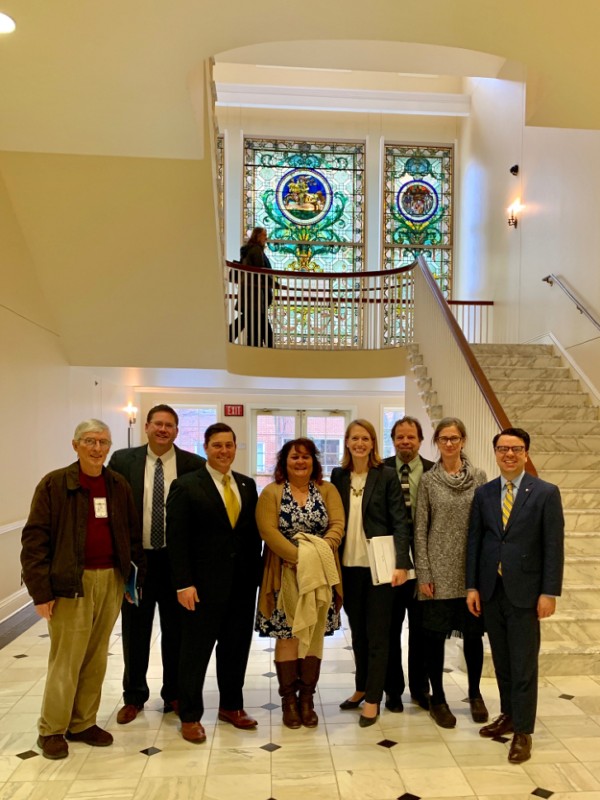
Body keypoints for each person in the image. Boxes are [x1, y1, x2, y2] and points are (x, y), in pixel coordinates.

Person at [20, 420, 144, 760]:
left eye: (103, 441)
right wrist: (41, 591)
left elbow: (132, 537)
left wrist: (132, 579)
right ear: (75, 445)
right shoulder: (55, 484)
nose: (97, 448)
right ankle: (52, 729)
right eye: (89, 441)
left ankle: (82, 722)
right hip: (71, 582)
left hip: (111, 580)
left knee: (96, 657)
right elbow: (34, 540)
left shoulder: (117, 484)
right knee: (66, 659)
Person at [467, 428, 564, 764]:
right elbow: (476, 543)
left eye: (516, 449)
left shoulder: (545, 493)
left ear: (526, 454)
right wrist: (472, 586)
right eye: (502, 448)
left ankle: (523, 731)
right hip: (492, 591)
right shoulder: (484, 494)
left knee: (524, 665)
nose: (508, 454)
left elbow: (553, 547)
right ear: (494, 452)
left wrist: (549, 592)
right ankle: (508, 714)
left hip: (526, 593)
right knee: (504, 662)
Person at [108, 404, 205, 724]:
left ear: (177, 431)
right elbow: (112, 511)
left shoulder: (193, 465)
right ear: (146, 426)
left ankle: (174, 694)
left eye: (170, 425)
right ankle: (134, 696)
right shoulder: (123, 461)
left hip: (177, 562)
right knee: (135, 630)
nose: (163, 430)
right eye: (158, 424)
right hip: (139, 562)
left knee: (177, 632)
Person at [166, 422, 262, 743]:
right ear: (206, 447)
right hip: (201, 589)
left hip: (241, 587)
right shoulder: (186, 485)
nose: (224, 451)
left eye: (229, 445)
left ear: (236, 448)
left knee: (236, 650)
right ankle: (190, 715)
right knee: (195, 652)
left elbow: (250, 538)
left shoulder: (247, 486)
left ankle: (232, 706)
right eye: (217, 445)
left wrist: (259, 581)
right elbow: (176, 540)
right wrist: (183, 583)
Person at [255, 438, 345, 729]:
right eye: (294, 457)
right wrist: (299, 556)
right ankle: (288, 702)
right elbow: (268, 531)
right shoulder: (271, 492)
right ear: (284, 462)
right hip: (283, 574)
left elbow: (337, 525)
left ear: (314, 462)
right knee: (288, 635)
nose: (300, 461)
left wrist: (319, 552)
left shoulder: (327, 489)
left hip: (319, 575)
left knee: (313, 635)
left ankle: (306, 699)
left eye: (306, 457)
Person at [331, 419, 411, 727]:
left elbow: (400, 522)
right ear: (347, 442)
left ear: (373, 443)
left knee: (378, 634)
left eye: (365, 438)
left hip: (379, 568)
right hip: (348, 568)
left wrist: (402, 564)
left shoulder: (387, 476)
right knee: (358, 634)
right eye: (355, 438)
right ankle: (361, 686)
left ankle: (374, 698)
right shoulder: (338, 475)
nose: (360, 443)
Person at [414, 417, 488, 729]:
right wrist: (424, 573)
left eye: (454, 438)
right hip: (437, 573)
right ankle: (439, 698)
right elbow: (420, 529)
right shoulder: (429, 481)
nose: (449, 444)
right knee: (433, 638)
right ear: (436, 442)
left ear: (463, 441)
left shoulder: (479, 478)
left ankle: (474, 693)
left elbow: (487, 526)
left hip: (470, 572)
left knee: (472, 636)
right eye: (443, 438)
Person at [383, 416, 434, 712]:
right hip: (391, 563)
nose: (405, 442)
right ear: (393, 440)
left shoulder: (433, 471)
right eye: (400, 437)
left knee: (422, 630)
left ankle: (420, 688)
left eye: (410, 437)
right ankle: (393, 690)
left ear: (420, 440)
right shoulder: (382, 470)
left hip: (425, 564)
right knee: (390, 629)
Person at [229, 226, 275, 347]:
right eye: (264, 235)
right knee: (258, 319)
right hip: (255, 294)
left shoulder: (250, 250)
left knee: (252, 319)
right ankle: (267, 346)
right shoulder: (256, 251)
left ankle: (258, 344)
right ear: (258, 236)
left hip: (250, 293)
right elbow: (260, 271)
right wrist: (272, 283)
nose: (266, 238)